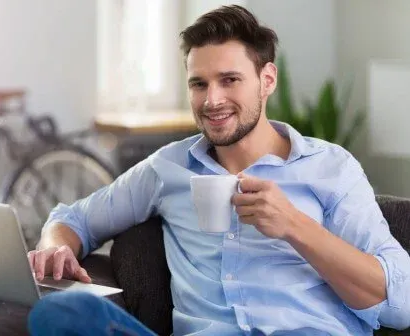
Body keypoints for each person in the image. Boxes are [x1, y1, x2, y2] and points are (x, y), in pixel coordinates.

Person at [27, 5, 410, 336]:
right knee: (62, 312)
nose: (212, 100)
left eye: (229, 80)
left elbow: (400, 303)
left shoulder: (331, 168)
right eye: (199, 84)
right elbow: (74, 218)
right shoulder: (168, 168)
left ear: (267, 80)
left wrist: (294, 225)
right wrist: (55, 247)